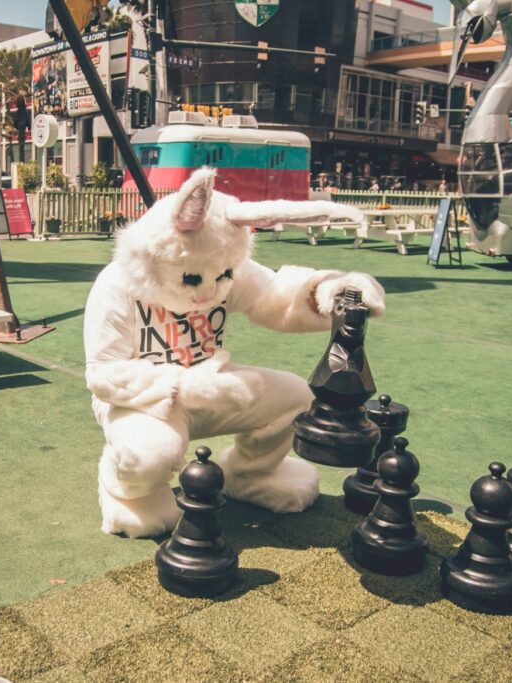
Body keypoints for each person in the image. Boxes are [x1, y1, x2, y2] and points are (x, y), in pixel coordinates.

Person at [83, 169, 386, 538]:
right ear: (152, 259)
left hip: (215, 386)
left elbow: (273, 296)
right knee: (152, 454)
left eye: (223, 276)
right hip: (140, 403)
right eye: (192, 279)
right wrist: (185, 386)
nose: (207, 292)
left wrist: (331, 291)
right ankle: (123, 490)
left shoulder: (217, 263)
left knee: (298, 398)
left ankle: (248, 474)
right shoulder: (117, 284)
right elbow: (104, 374)